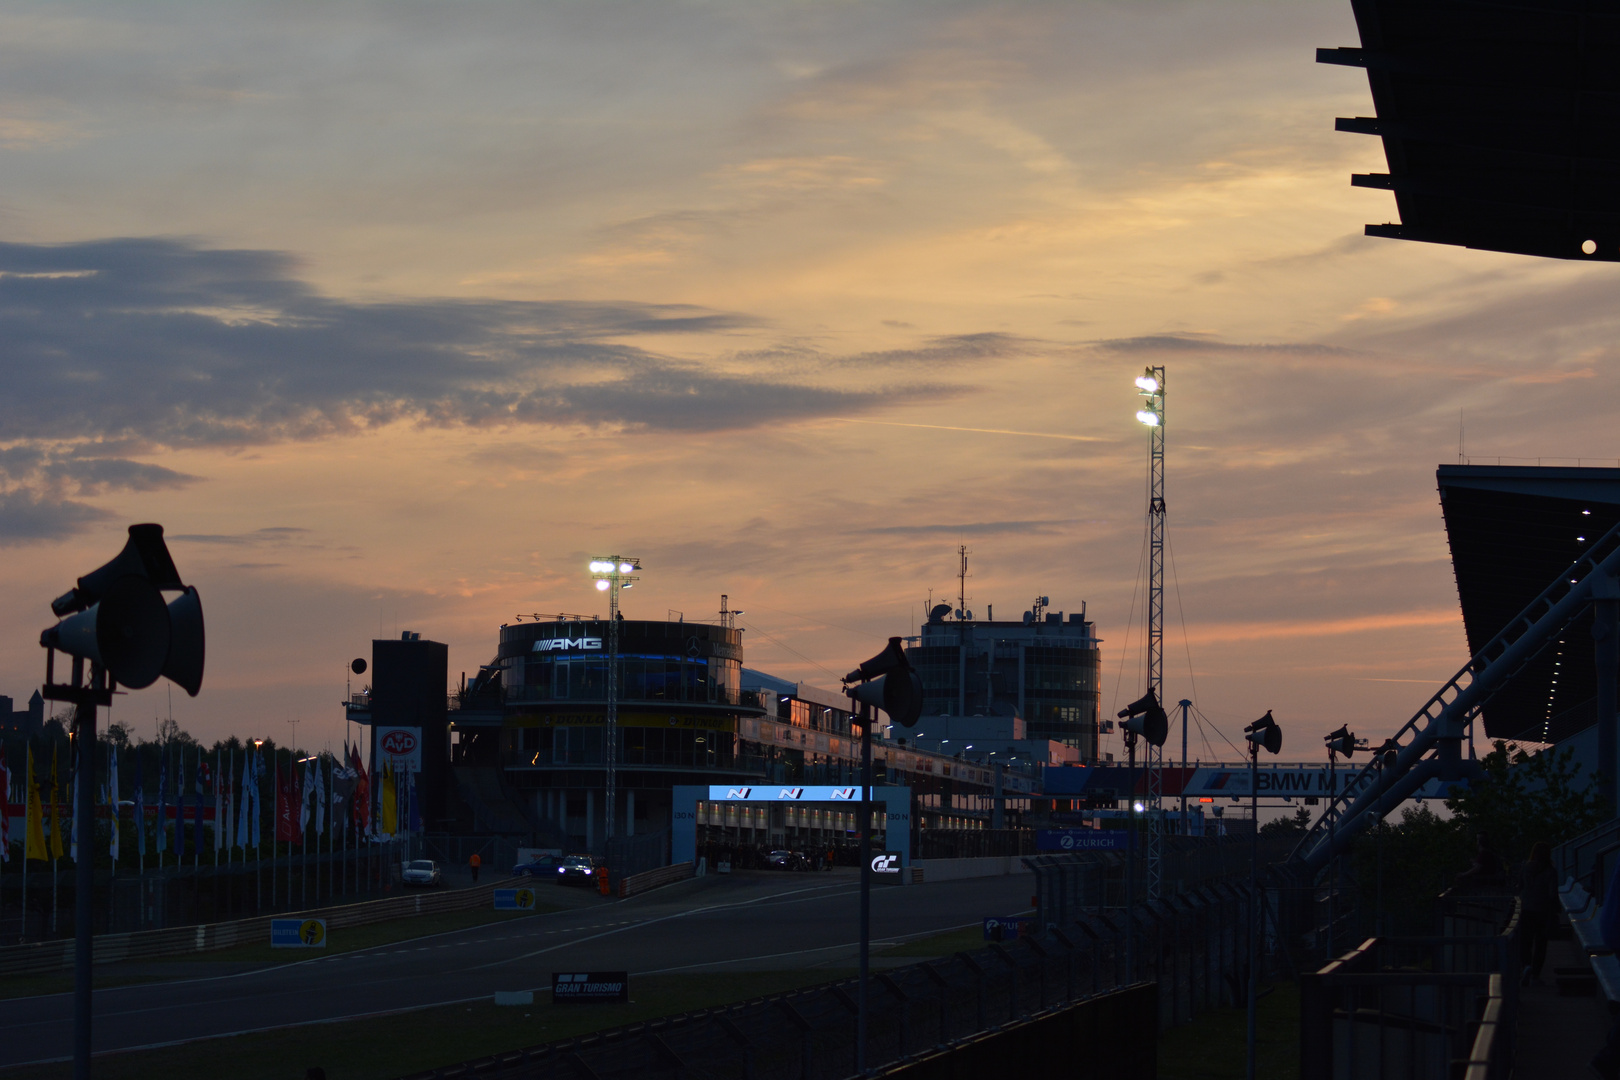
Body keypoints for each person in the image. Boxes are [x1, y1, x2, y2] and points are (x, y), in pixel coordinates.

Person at [1518, 841, 1557, 985]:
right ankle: (1535, 974)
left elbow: (1520, 886)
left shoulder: (1525, 867)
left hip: (1526, 908)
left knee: (1525, 941)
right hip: (1543, 910)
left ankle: (1526, 965)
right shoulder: (1550, 871)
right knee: (1541, 943)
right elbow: (1552, 894)